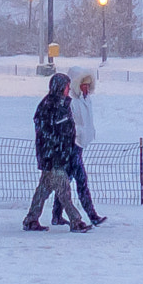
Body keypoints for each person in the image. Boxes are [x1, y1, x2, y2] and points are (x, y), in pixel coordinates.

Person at [24, 72, 90, 232]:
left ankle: (31, 220)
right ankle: (76, 221)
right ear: (60, 87)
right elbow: (48, 133)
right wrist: (57, 150)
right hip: (53, 157)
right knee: (64, 190)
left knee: (44, 189)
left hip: (57, 156)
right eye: (67, 86)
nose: (69, 89)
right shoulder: (50, 106)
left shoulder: (60, 105)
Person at [52, 71, 106, 227]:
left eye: (88, 85)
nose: (86, 88)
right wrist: (79, 134)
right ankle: (92, 215)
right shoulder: (72, 103)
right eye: (83, 85)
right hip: (73, 145)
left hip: (80, 144)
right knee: (81, 180)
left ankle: (56, 214)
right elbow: (71, 124)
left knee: (66, 181)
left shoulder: (86, 100)